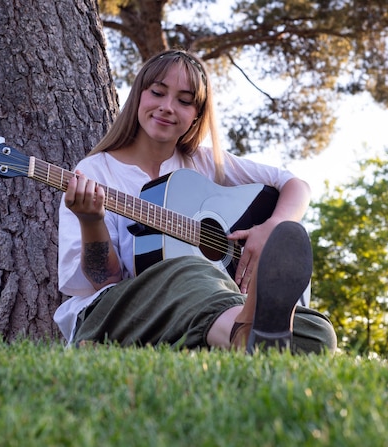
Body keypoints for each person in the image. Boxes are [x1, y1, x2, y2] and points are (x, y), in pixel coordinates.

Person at [54, 49, 336, 354]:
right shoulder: (94, 172)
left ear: (196, 117)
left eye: (184, 101)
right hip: (115, 313)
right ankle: (242, 332)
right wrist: (91, 221)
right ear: (138, 95)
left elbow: (295, 185)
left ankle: (241, 334)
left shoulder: (203, 162)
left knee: (318, 331)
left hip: (212, 303)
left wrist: (274, 227)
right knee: (189, 270)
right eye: (158, 93)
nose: (167, 107)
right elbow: (103, 281)